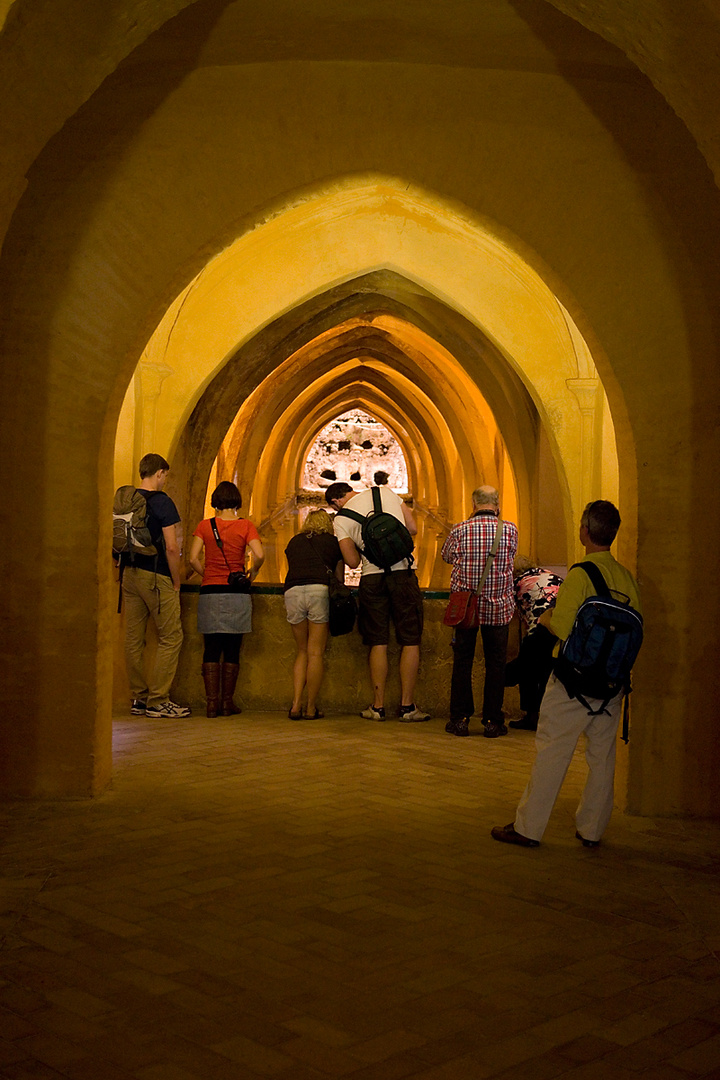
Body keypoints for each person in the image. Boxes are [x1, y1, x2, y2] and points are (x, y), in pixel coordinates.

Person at [491, 500, 642, 849]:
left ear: (585, 531)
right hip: (610, 685)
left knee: (552, 752)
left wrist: (545, 618)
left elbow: (560, 626)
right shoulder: (626, 578)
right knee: (602, 759)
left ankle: (529, 828)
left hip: (572, 681)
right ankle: (591, 830)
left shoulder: (582, 573)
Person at [325, 481, 429, 722]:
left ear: (336, 502)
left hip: (372, 579)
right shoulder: (385, 492)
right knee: (410, 640)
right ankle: (407, 707)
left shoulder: (341, 519)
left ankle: (378, 707)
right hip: (403, 573)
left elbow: (351, 562)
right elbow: (412, 528)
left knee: (377, 641)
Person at [441, 486, 518, 738]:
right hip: (498, 607)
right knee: (496, 664)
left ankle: (460, 719)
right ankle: (493, 721)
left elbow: (447, 556)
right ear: (497, 504)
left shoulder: (460, 530)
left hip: (466, 609)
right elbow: (512, 556)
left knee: (462, 662)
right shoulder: (509, 530)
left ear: (473, 504)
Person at [121, 453, 191, 718]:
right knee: (171, 636)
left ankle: (138, 698)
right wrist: (175, 580)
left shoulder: (127, 500)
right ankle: (158, 699)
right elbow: (172, 548)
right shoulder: (163, 502)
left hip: (130, 573)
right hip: (155, 575)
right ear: (160, 473)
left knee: (133, 639)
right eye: (165, 475)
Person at [188, 481, 264, 718]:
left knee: (211, 647)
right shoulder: (246, 526)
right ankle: (226, 703)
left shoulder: (204, 526)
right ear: (237, 501)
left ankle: (211, 705)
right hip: (236, 593)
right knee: (232, 649)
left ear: (215, 502)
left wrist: (207, 574)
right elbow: (259, 554)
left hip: (210, 591)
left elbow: (192, 559)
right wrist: (252, 573)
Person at [283, 509, 344, 719]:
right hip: (319, 591)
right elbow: (339, 577)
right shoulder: (332, 542)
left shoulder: (294, 541)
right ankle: (310, 708)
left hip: (293, 592)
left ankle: (295, 704)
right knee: (315, 652)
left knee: (301, 651)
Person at [504, 556, 564, 731]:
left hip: (540, 628)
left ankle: (531, 716)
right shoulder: (549, 575)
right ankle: (546, 717)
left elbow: (522, 617)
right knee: (547, 673)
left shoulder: (517, 584)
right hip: (561, 628)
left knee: (528, 673)